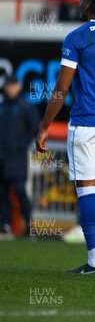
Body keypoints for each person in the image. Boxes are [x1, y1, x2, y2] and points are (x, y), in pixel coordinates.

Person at [35, 0, 95, 274]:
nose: (80, 2)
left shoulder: (77, 37)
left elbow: (61, 88)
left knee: (84, 187)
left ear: (93, 3)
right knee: (93, 182)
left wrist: (45, 126)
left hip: (86, 119)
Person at [0, 75, 38, 239]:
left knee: (20, 189)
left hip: (17, 158)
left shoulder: (26, 107)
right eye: (8, 85)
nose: (10, 88)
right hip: (2, 157)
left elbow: (34, 128)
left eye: (13, 85)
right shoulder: (1, 106)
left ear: (19, 86)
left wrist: (21, 145)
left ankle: (28, 224)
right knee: (2, 192)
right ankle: (5, 225)